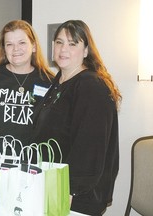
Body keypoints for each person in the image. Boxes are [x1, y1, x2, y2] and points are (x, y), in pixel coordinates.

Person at [31, 20, 122, 215]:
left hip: (75, 196)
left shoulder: (90, 85)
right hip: (52, 185)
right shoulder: (60, 81)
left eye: (73, 44)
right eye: (59, 42)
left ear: (86, 50)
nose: (64, 49)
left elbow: (90, 147)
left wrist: (70, 189)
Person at [0, 20, 54, 153]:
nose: (16, 49)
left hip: (30, 164)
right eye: (9, 44)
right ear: (4, 49)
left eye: (22, 42)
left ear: (34, 46)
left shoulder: (48, 82)